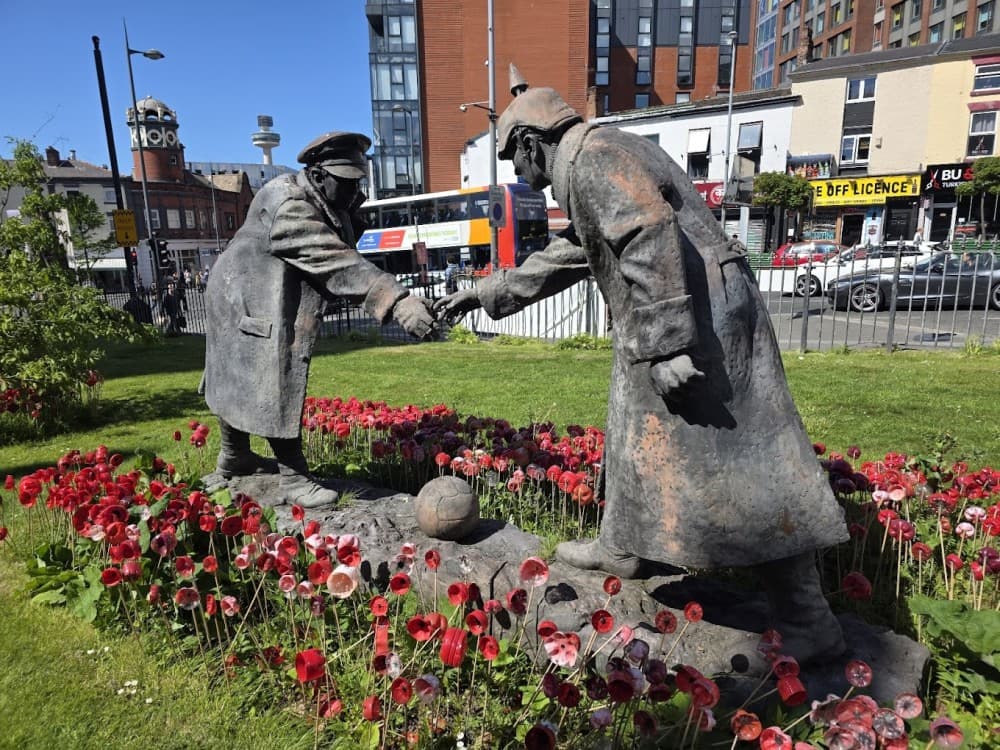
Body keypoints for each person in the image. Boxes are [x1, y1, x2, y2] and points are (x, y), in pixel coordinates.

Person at [434, 72, 849, 663]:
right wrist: (488, 293)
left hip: (692, 317)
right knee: (632, 429)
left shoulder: (593, 158)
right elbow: (576, 249)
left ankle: (809, 620)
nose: (529, 181)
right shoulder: (604, 151)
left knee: (744, 467)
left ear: (530, 141)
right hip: (677, 309)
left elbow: (648, 236)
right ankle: (626, 547)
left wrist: (670, 343)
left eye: (517, 163)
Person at [202, 131, 436, 508]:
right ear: (318, 174)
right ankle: (292, 477)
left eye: (357, 181)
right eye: (345, 182)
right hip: (241, 294)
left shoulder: (324, 197)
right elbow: (335, 259)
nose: (352, 190)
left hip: (253, 289)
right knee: (270, 370)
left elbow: (343, 242)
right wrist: (396, 300)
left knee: (242, 373)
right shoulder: (289, 203)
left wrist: (349, 207)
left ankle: (235, 457)